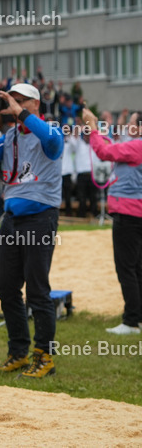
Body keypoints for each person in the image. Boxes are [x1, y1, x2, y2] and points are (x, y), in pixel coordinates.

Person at [0, 83, 63, 379]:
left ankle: (44, 357)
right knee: (6, 288)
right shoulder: (10, 136)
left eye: (21, 100)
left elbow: (53, 143)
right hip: (12, 219)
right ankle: (18, 352)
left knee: (38, 291)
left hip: (40, 217)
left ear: (36, 104)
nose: (14, 105)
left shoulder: (51, 130)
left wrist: (21, 114)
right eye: (11, 100)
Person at [82, 108, 142, 335]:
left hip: (128, 213)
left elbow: (104, 152)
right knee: (137, 267)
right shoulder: (135, 145)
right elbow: (111, 148)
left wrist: (93, 128)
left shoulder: (137, 146)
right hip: (136, 211)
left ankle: (131, 321)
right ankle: (137, 316)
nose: (128, 127)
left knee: (126, 268)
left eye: (132, 123)